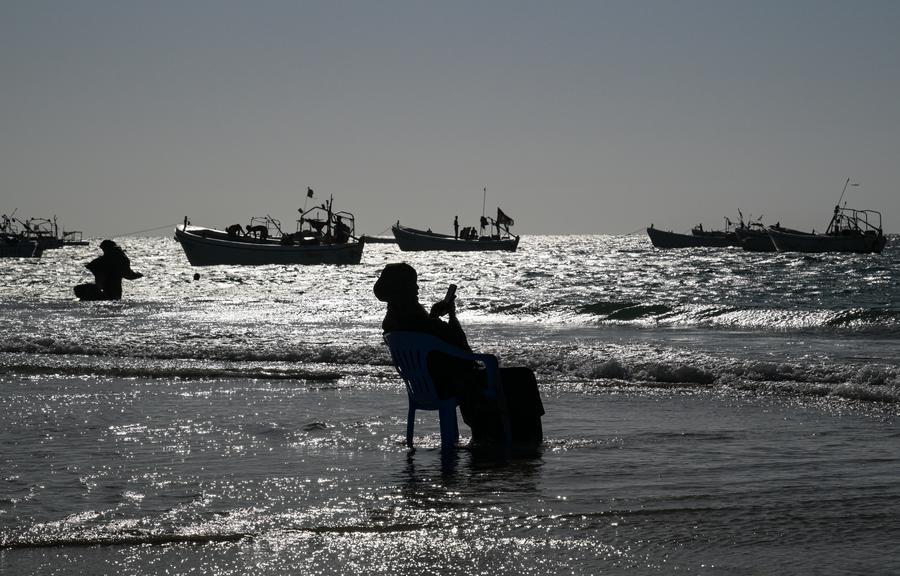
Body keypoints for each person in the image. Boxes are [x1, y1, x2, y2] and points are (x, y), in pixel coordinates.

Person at [375, 263, 544, 444]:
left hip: (428, 385)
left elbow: (432, 339)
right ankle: (526, 439)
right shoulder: (416, 318)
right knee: (523, 376)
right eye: (412, 283)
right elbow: (461, 345)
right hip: (453, 382)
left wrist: (434, 316)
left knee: (509, 378)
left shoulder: (394, 320)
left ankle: (500, 435)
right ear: (402, 287)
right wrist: (452, 316)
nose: (417, 288)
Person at [74, 240, 143, 301]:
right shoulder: (121, 259)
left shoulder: (100, 261)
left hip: (108, 291)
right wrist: (138, 275)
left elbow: (128, 274)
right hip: (111, 293)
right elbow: (128, 275)